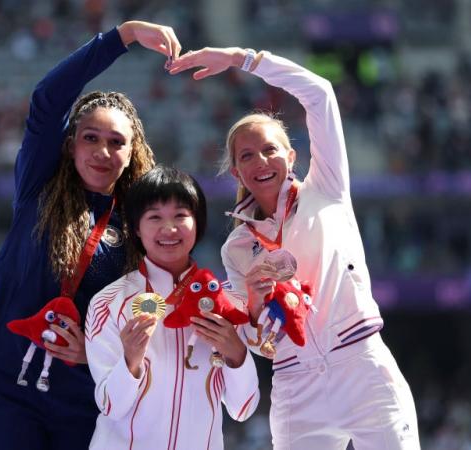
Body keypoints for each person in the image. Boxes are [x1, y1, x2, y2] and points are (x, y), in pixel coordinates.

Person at [169, 48, 420, 449]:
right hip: (294, 384)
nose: (261, 161)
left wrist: (241, 59)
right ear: (236, 172)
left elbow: (319, 93)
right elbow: (256, 340)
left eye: (270, 150)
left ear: (291, 155)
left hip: (361, 365)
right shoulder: (237, 247)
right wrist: (252, 299)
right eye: (247, 156)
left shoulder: (327, 189)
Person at [0, 21, 181, 450]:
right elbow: (47, 99)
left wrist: (98, 352)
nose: (101, 151)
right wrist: (124, 36)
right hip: (9, 388)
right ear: (69, 145)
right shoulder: (37, 187)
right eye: (90, 138)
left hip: (85, 396)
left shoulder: (141, 224)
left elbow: (155, 303)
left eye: (117, 142)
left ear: (132, 153)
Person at [84, 166, 259, 449]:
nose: (169, 228)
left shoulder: (225, 304)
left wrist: (237, 353)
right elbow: (110, 405)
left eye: (181, 215)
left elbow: (243, 409)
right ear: (136, 229)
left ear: (198, 224)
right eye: (154, 217)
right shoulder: (108, 303)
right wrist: (130, 361)